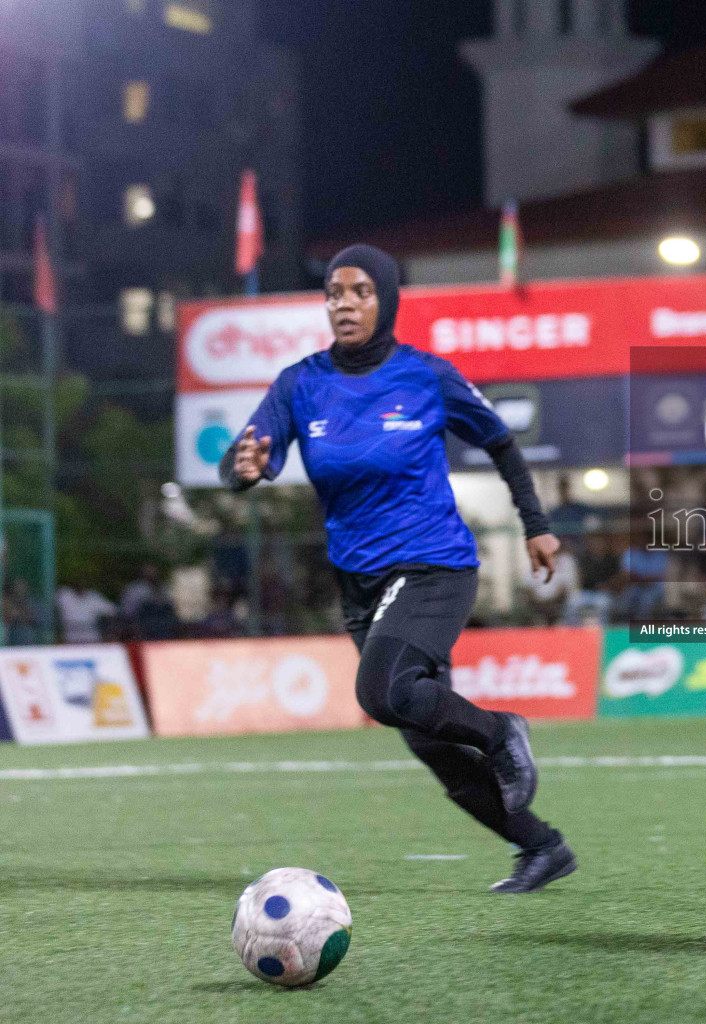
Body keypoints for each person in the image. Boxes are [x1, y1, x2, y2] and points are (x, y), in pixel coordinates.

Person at [221, 244, 574, 894]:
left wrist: (538, 526)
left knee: (381, 693)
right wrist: (240, 469)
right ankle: (542, 848)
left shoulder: (426, 376)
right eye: (333, 293)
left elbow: (500, 442)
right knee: (429, 741)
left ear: (385, 299)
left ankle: (502, 732)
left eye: (358, 291)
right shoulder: (300, 384)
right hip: (360, 583)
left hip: (434, 564)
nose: (344, 304)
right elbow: (248, 457)